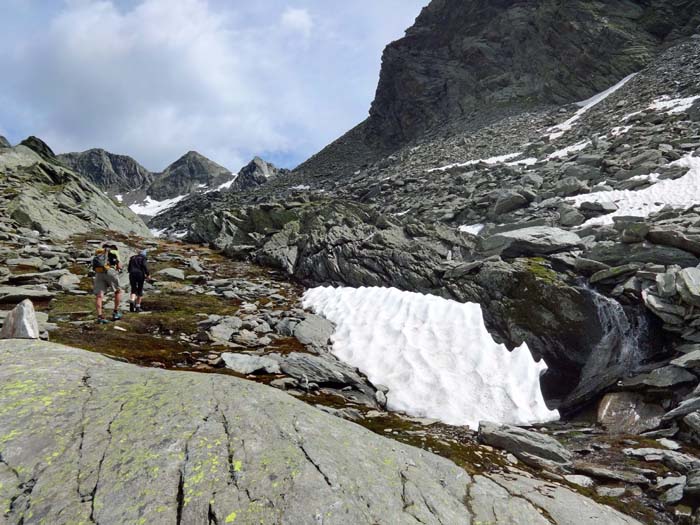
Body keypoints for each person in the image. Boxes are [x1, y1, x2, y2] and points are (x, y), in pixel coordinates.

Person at [93, 243, 123, 323]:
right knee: (117, 291)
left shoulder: (99, 253)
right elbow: (119, 266)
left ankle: (100, 317)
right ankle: (115, 312)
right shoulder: (114, 253)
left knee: (99, 295)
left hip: (99, 273)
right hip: (110, 271)